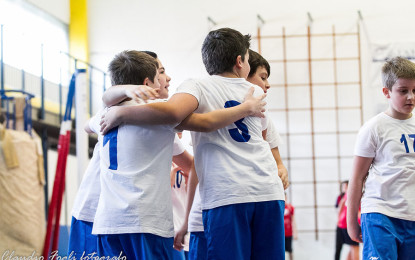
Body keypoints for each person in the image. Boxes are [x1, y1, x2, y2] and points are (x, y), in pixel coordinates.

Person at [100, 28, 286, 259]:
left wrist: (121, 114)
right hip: (268, 190)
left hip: (228, 192)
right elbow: (264, 137)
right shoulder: (255, 91)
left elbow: (174, 113)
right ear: (240, 62)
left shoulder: (197, 85)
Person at [173, 49, 289, 259]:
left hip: (243, 195)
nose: (267, 85)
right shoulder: (218, 93)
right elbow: (195, 168)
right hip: (227, 199)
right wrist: (187, 219)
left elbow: (272, 154)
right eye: (262, 77)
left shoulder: (259, 107)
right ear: (242, 69)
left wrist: (280, 168)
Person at [90, 50, 195, 259]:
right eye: (160, 75)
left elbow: (90, 122)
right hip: (146, 221)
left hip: (108, 223)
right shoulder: (159, 112)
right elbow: (204, 123)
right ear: (148, 84)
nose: (165, 80)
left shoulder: (103, 114)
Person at [347, 56, 415, 260]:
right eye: (403, 91)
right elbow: (357, 177)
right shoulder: (374, 128)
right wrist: (351, 222)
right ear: (386, 92)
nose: (410, 97)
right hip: (380, 213)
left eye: (414, 90)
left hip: (410, 216)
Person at [335, 181, 359, 260]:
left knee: (352, 247)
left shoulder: (347, 195)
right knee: (354, 247)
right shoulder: (350, 194)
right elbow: (341, 206)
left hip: (344, 224)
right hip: (348, 224)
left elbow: (341, 206)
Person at [284, 193, 297, 260]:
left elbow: (293, 221)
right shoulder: (279, 207)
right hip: (281, 234)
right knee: (281, 250)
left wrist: (295, 233)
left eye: (285, 198)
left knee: (290, 249)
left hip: (289, 233)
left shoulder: (290, 207)